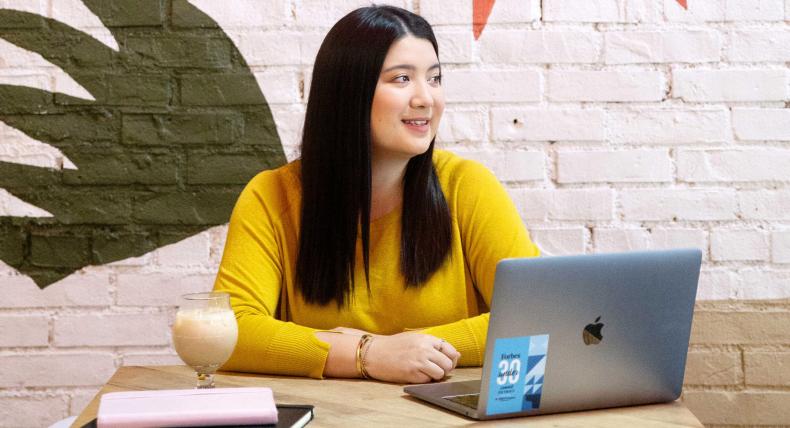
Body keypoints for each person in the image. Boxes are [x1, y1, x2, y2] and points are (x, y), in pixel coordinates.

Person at [213, 5, 540, 384]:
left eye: (434, 79)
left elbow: (536, 315)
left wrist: (402, 351)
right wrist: (369, 354)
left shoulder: (467, 186)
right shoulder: (272, 196)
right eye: (402, 79)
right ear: (347, 92)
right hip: (328, 412)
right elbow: (231, 331)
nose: (426, 98)